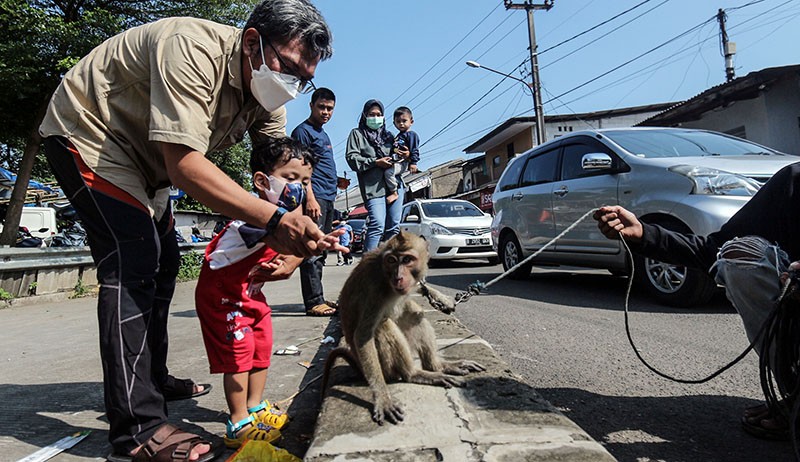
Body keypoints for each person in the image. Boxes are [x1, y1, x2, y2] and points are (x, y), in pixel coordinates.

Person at [38, 1, 340, 460]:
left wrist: (299, 235)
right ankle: (138, 429)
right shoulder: (190, 49)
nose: (293, 86)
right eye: (289, 67)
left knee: (164, 264)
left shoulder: (267, 94)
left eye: (305, 77)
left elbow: (272, 172)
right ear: (253, 42)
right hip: (92, 135)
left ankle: (151, 378)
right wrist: (278, 222)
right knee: (133, 264)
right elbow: (184, 165)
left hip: (146, 164)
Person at [593, 161, 800, 441]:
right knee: (739, 254)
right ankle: (795, 394)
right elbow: (713, 250)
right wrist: (644, 233)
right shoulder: (794, 180)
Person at [195, 137, 332, 449]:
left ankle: (255, 406)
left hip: (250, 296)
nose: (298, 187)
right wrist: (315, 243)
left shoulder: (281, 221)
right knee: (238, 358)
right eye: (290, 178)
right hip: (223, 300)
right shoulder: (253, 219)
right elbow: (271, 237)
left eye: (305, 180)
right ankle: (238, 420)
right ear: (261, 180)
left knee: (262, 346)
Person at [291, 87, 338, 316]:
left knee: (322, 250)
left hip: (328, 197)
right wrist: (309, 197)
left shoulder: (323, 133)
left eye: (329, 108)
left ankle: (318, 297)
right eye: (321, 107)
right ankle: (312, 302)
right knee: (311, 250)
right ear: (311, 105)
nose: (325, 112)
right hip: (314, 197)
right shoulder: (303, 132)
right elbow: (300, 169)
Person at [345, 99, 410, 252]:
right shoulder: (357, 134)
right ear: (364, 115)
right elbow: (352, 159)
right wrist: (375, 162)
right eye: (371, 114)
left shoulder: (389, 136)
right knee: (377, 224)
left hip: (394, 185)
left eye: (379, 114)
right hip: (373, 188)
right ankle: (369, 267)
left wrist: (406, 155)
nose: (375, 118)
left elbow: (400, 154)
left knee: (393, 226)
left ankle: (389, 265)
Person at [384, 106, 420, 205]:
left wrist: (413, 162)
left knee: (388, 172)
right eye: (398, 121)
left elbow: (414, 149)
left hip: (402, 163)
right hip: (396, 161)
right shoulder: (398, 136)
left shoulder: (411, 135)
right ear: (394, 123)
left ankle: (394, 192)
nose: (401, 124)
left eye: (404, 121)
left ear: (411, 121)